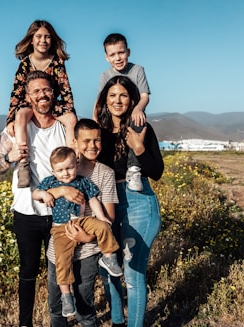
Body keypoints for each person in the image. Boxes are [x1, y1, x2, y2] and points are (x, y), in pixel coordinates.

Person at [0, 70, 68, 327]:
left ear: (53, 92)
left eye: (46, 89)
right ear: (27, 96)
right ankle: (25, 323)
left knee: (61, 272)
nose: (42, 95)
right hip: (26, 213)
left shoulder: (64, 129)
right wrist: (10, 157)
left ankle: (60, 321)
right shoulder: (13, 131)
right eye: (35, 91)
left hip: (59, 212)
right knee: (27, 273)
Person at [94, 75, 164, 327]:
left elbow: (156, 171)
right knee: (108, 268)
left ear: (132, 99)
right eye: (112, 95)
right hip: (107, 202)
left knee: (133, 274)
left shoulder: (142, 127)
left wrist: (139, 147)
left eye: (123, 95)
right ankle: (117, 321)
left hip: (139, 202)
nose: (117, 100)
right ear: (104, 100)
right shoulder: (98, 133)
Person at [45, 119, 124, 327]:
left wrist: (87, 237)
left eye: (97, 140)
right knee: (56, 308)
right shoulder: (63, 167)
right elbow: (42, 193)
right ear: (75, 141)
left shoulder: (105, 173)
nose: (92, 145)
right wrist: (62, 190)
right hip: (58, 248)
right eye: (86, 140)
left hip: (88, 249)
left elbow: (109, 217)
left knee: (84, 307)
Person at [6, 20, 77, 188]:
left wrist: (69, 112)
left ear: (52, 40)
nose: (43, 41)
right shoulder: (24, 64)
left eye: (47, 37)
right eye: (38, 37)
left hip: (53, 103)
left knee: (71, 119)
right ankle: (24, 165)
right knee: (21, 115)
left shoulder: (57, 62)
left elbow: (66, 90)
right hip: (29, 103)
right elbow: (16, 93)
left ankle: (72, 159)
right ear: (31, 39)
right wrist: (10, 120)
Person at [93, 33, 151, 192]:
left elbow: (145, 96)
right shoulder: (105, 75)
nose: (117, 58)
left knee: (137, 121)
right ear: (106, 57)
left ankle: (134, 169)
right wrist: (94, 121)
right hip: (111, 118)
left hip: (133, 116)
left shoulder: (138, 70)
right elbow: (99, 101)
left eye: (121, 52)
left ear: (128, 52)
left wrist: (138, 108)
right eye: (112, 54)